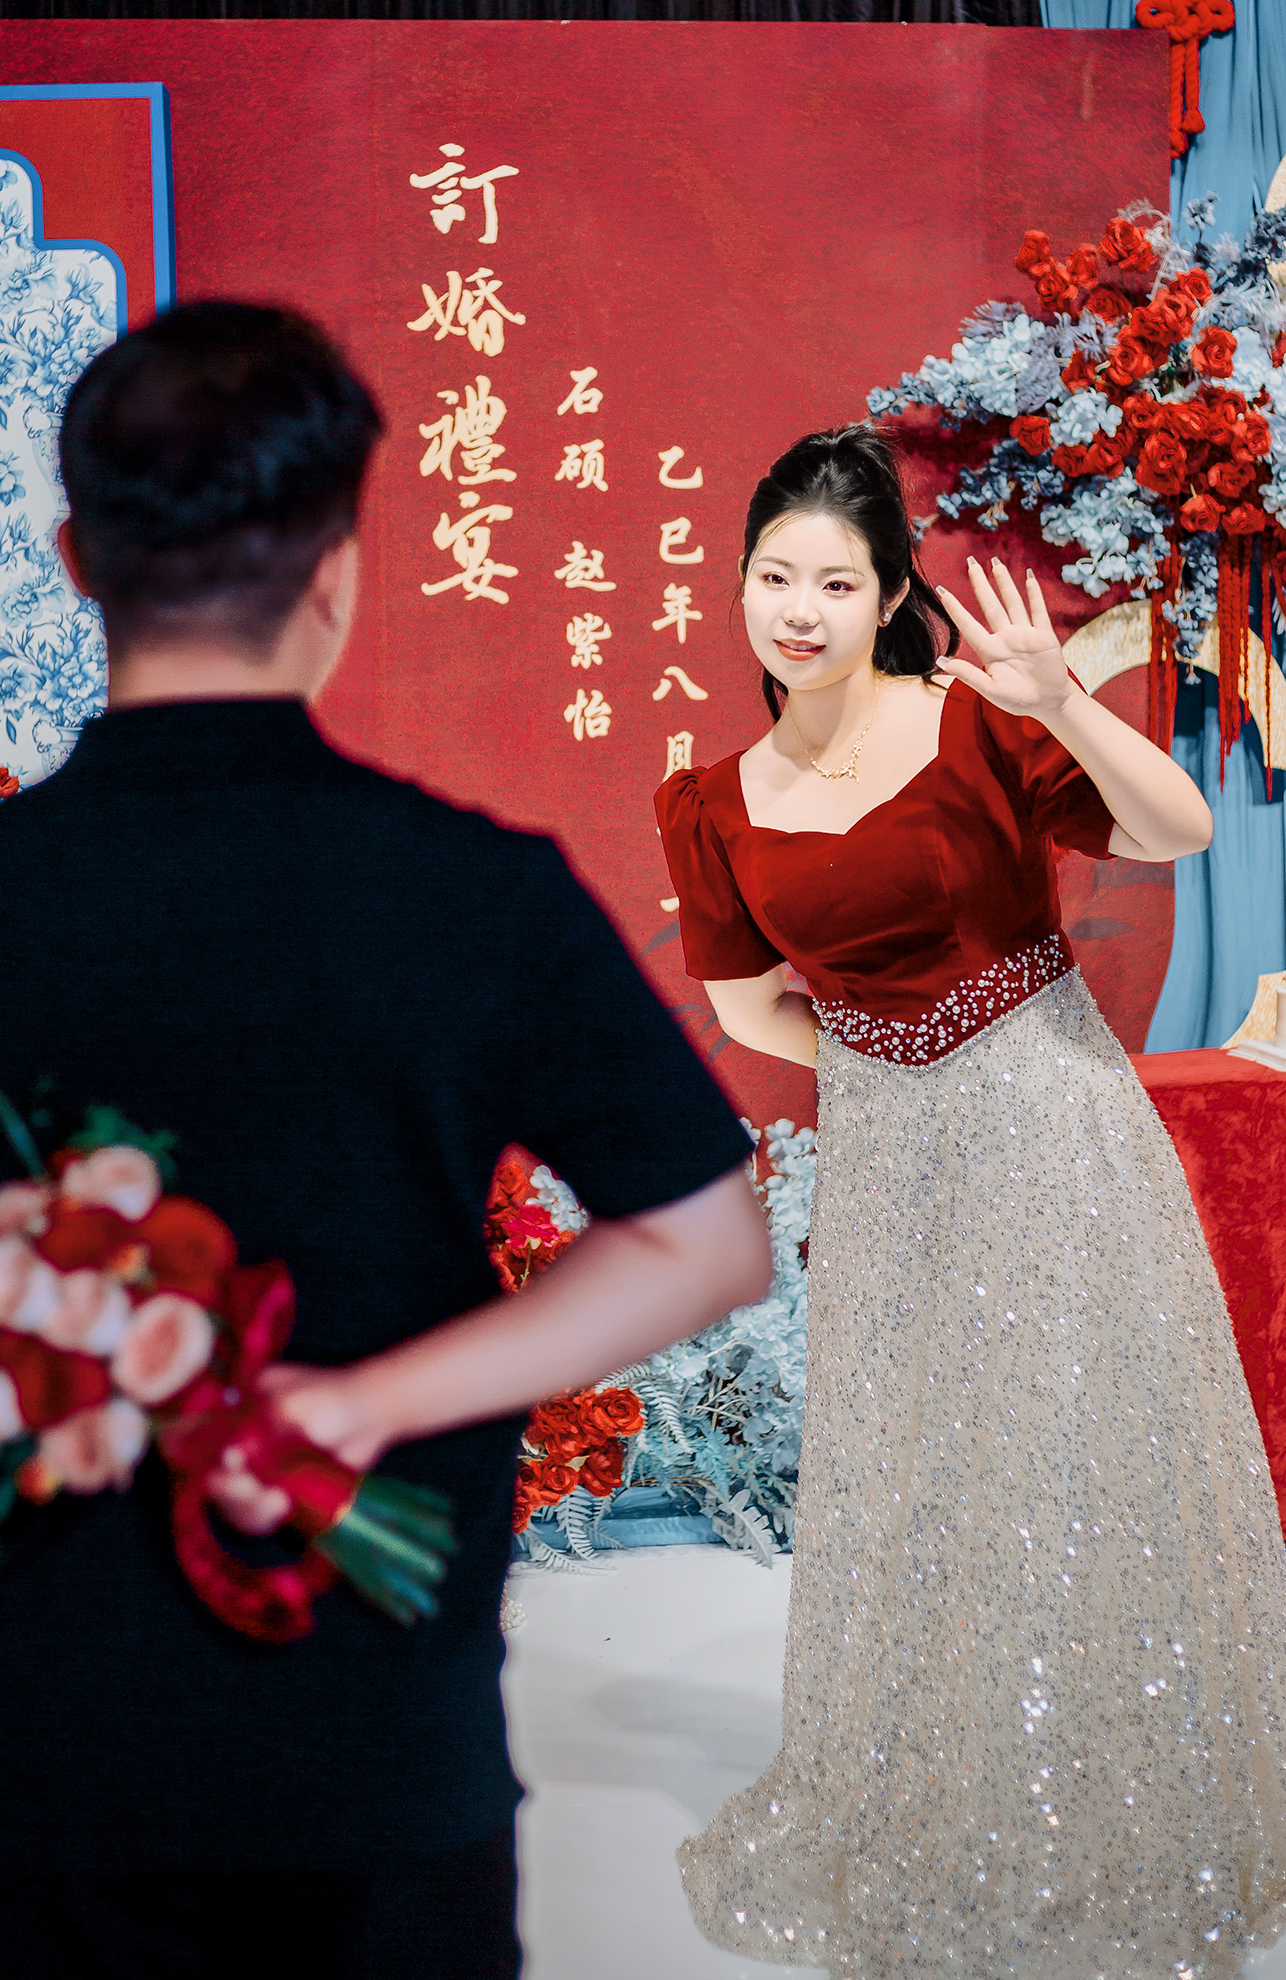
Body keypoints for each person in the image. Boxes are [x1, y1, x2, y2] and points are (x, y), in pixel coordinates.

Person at [0, 300, 772, 1980]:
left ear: (75, 560)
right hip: (372, 1745)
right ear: (339, 573)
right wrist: (363, 1404)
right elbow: (704, 1239)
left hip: (36, 1753)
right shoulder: (473, 893)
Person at [656, 423, 1286, 1979]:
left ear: (889, 599)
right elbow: (744, 1008)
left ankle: (1134, 1801)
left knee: (1083, 1451)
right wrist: (888, 1072)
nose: (798, 610)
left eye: (835, 583)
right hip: (893, 1169)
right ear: (738, 586)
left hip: (1054, 1128)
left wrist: (1059, 699)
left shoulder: (972, 723)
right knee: (923, 1470)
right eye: (773, 577)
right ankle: (947, 1793)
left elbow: (1178, 832)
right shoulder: (713, 799)